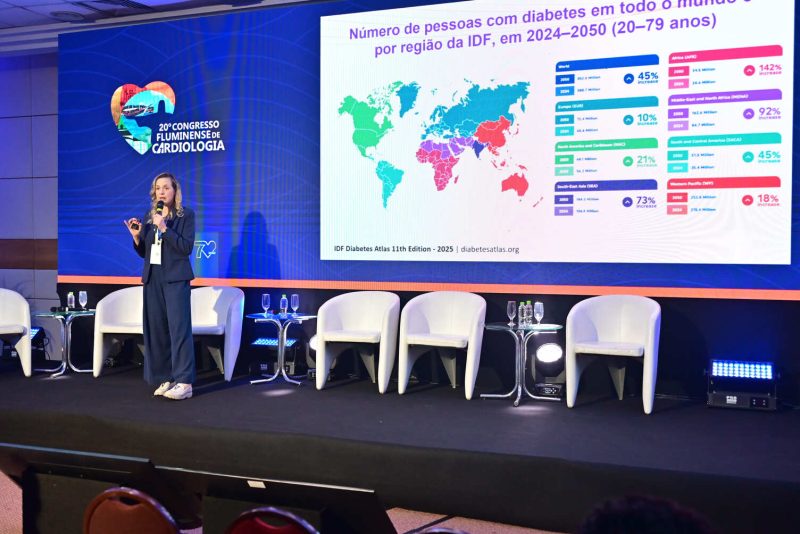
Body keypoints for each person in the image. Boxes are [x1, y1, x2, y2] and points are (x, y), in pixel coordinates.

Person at [124, 172, 196, 400]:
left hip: (175, 278)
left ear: (175, 191)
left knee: (179, 330)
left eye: (166, 187)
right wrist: (137, 237)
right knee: (157, 330)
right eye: (158, 188)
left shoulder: (185, 215)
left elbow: (186, 248)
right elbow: (145, 252)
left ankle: (184, 382)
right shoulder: (150, 215)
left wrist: (164, 227)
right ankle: (166, 377)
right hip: (153, 277)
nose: (161, 192)